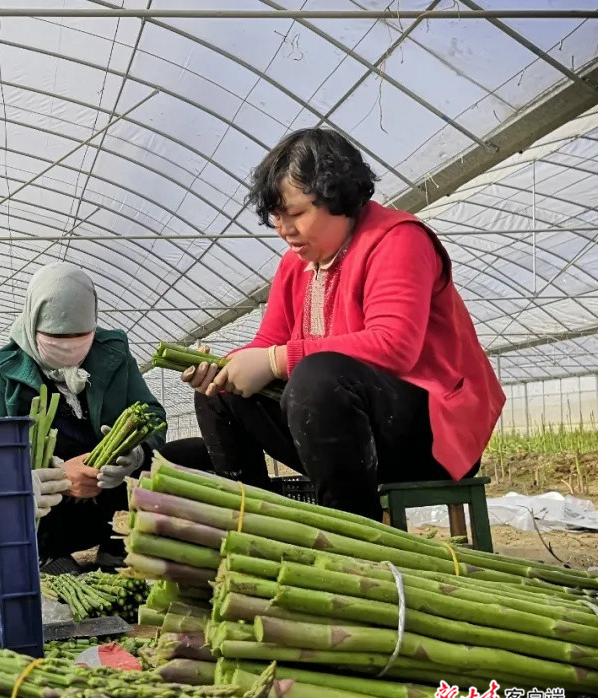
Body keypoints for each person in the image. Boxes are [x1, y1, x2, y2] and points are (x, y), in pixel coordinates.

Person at [183, 128, 504, 520]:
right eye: (277, 217)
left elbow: (393, 345)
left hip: (426, 436)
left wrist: (275, 361)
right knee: (220, 393)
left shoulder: (399, 240)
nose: (284, 230)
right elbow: (268, 342)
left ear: (340, 197)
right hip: (339, 433)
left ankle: (353, 546)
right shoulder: (294, 266)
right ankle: (254, 529)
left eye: (297, 214)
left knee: (319, 376)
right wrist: (224, 366)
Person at [0, 262, 167, 570]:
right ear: (33, 321)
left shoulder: (113, 353)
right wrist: (58, 477)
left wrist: (138, 453)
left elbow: (152, 415)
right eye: (55, 336)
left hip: (107, 499)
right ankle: (47, 553)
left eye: (80, 335)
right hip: (49, 511)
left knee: (189, 453)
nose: (69, 344)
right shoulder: (2, 369)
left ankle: (116, 543)